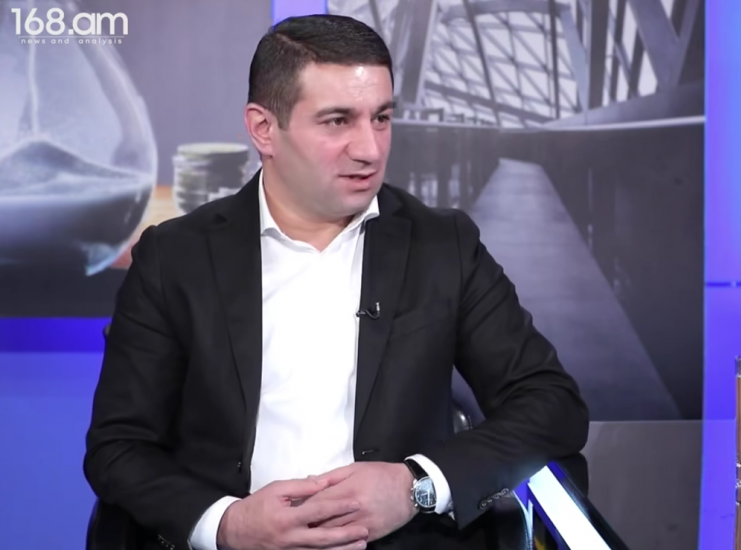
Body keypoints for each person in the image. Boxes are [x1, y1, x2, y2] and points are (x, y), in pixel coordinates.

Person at [84, 13, 589, 550]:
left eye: (382, 117)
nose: (370, 149)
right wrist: (227, 524)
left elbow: (551, 405)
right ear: (263, 128)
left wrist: (416, 485)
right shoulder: (175, 257)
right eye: (337, 121)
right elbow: (119, 447)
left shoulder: (444, 246)